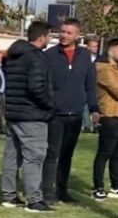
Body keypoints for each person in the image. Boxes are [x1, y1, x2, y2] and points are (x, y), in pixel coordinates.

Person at [0, 21, 55, 213]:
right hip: (32, 114)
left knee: (12, 156)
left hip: (14, 112)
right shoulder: (36, 57)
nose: (50, 39)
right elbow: (36, 87)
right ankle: (34, 200)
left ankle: (9, 195)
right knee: (34, 157)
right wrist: (50, 104)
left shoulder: (14, 56)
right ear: (42, 37)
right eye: (49, 36)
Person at [42, 19, 98, 204]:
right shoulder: (49, 55)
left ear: (77, 35)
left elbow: (90, 84)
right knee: (52, 154)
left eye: (69, 33)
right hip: (55, 113)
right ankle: (47, 192)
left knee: (67, 155)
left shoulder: (84, 56)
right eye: (62, 32)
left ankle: (62, 190)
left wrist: (94, 108)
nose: (64, 36)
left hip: (75, 114)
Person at [93, 37, 118, 200]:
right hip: (109, 115)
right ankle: (98, 186)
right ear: (111, 51)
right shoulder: (103, 69)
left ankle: (116, 186)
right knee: (104, 153)